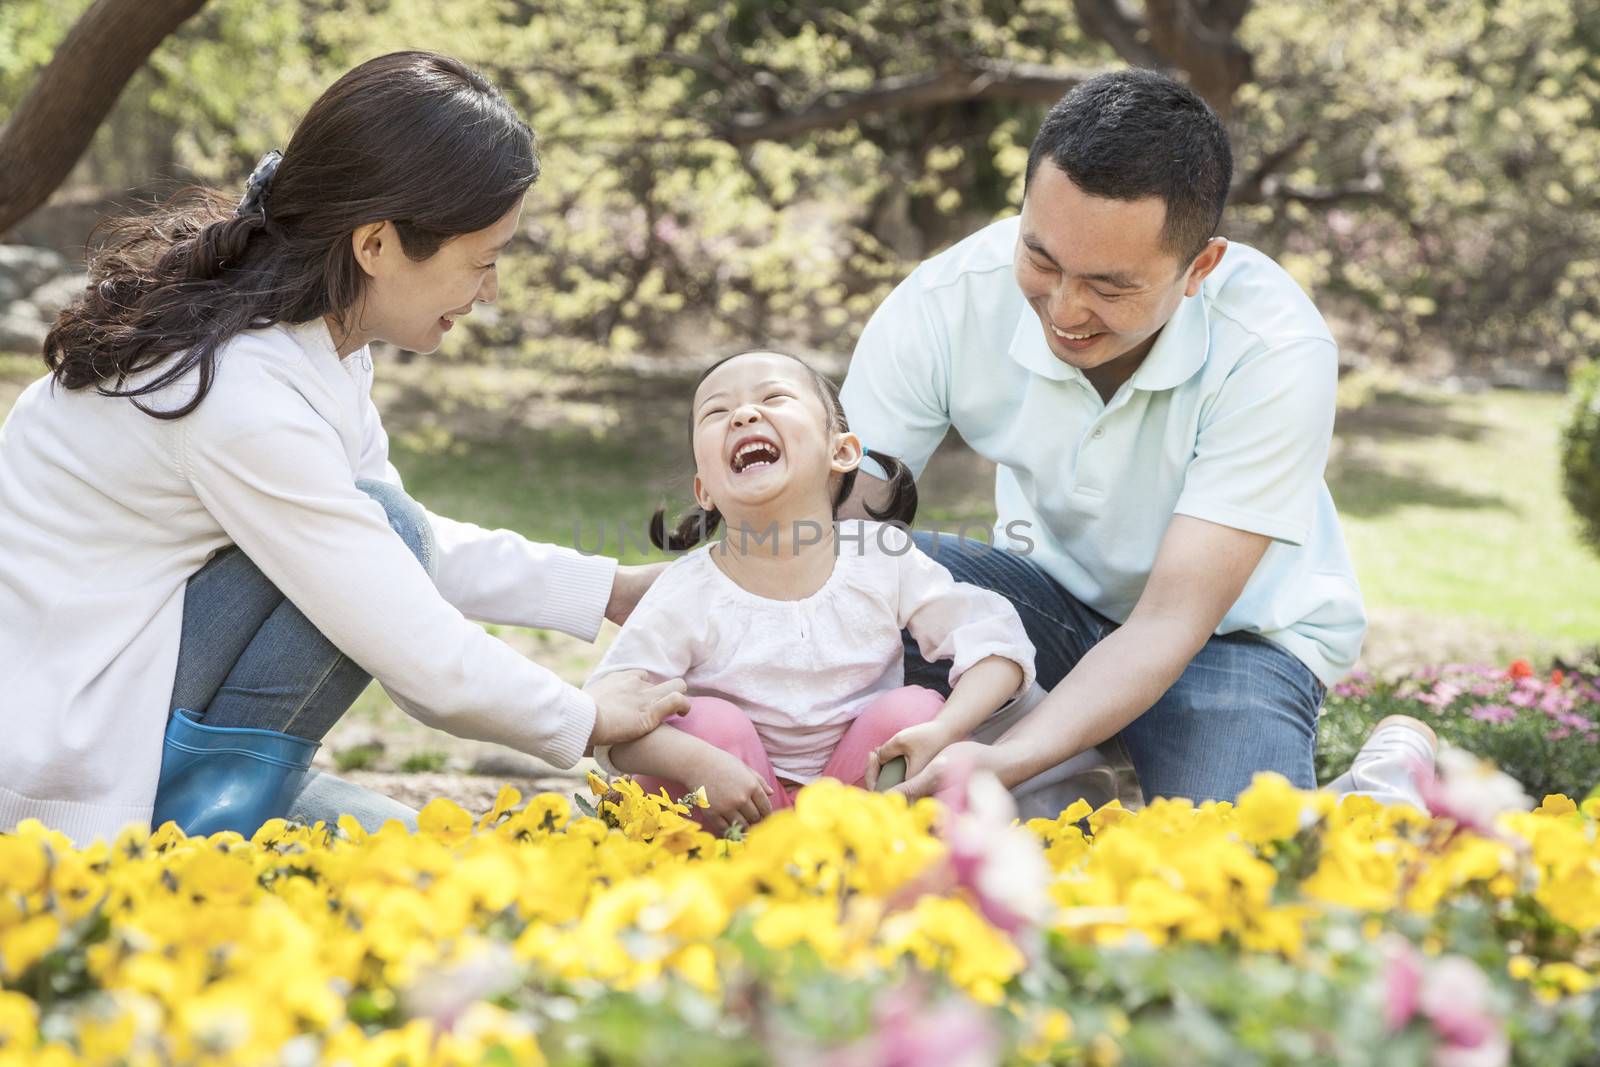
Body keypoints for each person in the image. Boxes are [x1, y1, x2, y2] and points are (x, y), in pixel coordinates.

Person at [0, 51, 685, 844]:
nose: (490, 289)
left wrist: (607, 588)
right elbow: (407, 634)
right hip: (61, 763)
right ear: (377, 244)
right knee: (382, 540)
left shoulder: (309, 338)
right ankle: (191, 829)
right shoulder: (239, 393)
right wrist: (590, 717)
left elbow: (388, 541)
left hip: (127, 691)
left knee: (433, 856)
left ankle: (232, 794)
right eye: (483, 261)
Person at [839, 68, 1367, 805]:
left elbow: (1168, 624)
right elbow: (836, 535)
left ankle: (1382, 791)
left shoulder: (1273, 347)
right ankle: (1067, 771)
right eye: (1041, 259)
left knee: (1236, 871)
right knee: (859, 568)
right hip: (1047, 599)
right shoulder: (944, 301)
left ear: (1199, 268)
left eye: (1110, 286)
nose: (1064, 308)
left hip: (1229, 640)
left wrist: (1006, 759)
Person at [584, 350, 1037, 834]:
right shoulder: (687, 590)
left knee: (914, 711)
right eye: (717, 412)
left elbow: (997, 644)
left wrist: (944, 729)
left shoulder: (882, 559)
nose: (743, 414)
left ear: (841, 453)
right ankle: (721, 873)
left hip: (857, 802)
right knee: (706, 724)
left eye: (774, 397)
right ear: (704, 491)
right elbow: (607, 715)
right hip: (725, 808)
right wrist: (696, 762)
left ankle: (899, 873)